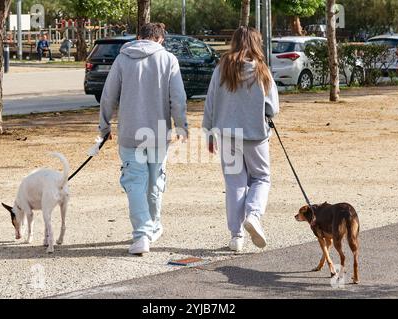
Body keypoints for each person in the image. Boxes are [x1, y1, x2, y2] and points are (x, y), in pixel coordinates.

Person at [98, 23, 188, 255]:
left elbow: (108, 95)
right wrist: (181, 125)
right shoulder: (168, 60)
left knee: (135, 182)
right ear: (160, 39)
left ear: (139, 37)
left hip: (130, 134)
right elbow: (177, 98)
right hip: (158, 133)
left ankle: (142, 234)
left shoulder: (122, 59)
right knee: (155, 179)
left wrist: (104, 126)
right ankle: (153, 226)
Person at [203, 26, 279, 252]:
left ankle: (236, 236)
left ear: (234, 42)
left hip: (227, 135)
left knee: (235, 184)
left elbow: (211, 101)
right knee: (261, 178)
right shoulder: (262, 70)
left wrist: (208, 131)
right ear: (256, 43)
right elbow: (272, 107)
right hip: (256, 135)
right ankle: (254, 215)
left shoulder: (222, 68)